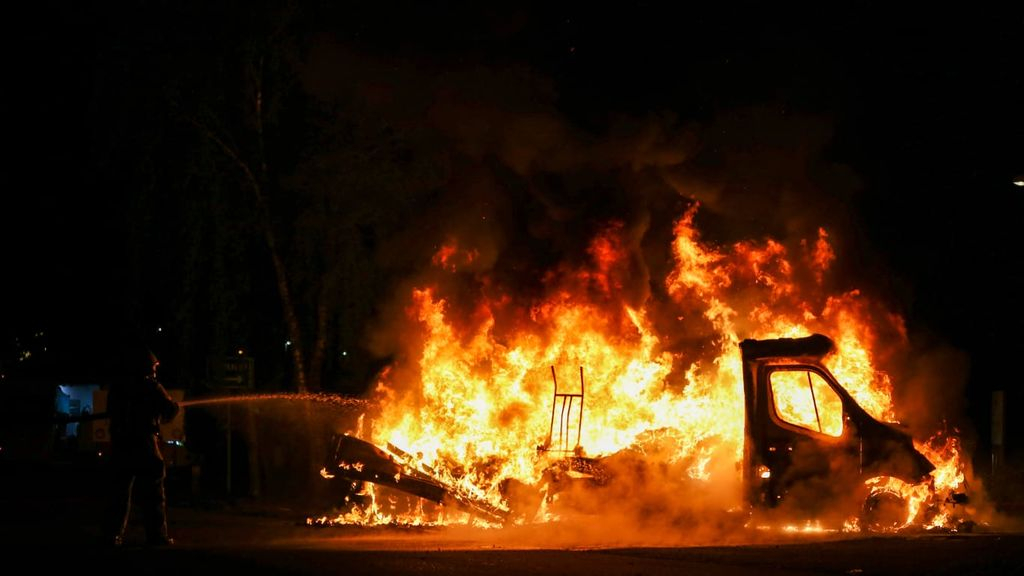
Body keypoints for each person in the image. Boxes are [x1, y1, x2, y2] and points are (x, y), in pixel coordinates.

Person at [102, 343, 180, 547]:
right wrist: (174, 407)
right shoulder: (152, 387)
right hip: (145, 445)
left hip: (121, 444)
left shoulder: (118, 388)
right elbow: (168, 412)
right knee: (154, 494)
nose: (155, 370)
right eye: (153, 367)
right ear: (145, 367)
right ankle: (157, 537)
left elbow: (112, 413)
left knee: (118, 494)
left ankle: (112, 535)